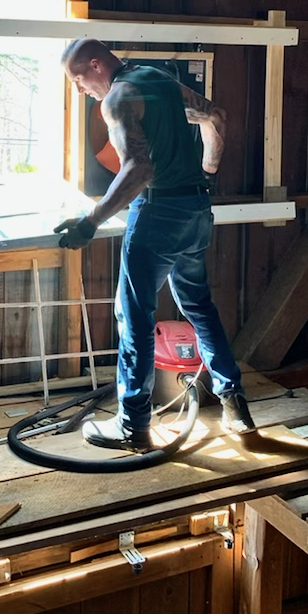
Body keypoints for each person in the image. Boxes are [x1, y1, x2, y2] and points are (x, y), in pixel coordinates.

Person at [54, 38, 255, 451]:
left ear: (95, 65)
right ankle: (235, 404)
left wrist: (90, 222)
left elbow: (139, 167)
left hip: (159, 213)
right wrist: (209, 167)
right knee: (199, 306)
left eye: (78, 79)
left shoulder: (118, 99)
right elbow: (216, 115)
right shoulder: (160, 81)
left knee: (135, 317)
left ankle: (133, 425)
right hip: (197, 210)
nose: (79, 89)